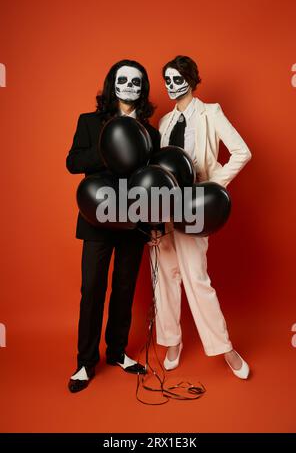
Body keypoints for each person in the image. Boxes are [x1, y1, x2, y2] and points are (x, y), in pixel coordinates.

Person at [151, 55, 252, 379]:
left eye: (177, 78)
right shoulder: (164, 122)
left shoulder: (211, 113)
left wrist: (212, 188)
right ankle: (172, 341)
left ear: (192, 80)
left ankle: (224, 347)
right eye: (166, 79)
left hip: (195, 207)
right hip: (163, 209)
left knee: (196, 277)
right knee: (166, 277)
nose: (171, 85)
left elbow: (241, 151)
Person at [66, 59, 160, 393]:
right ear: (112, 83)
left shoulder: (151, 132)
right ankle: (84, 362)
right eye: (123, 80)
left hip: (133, 221)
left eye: (136, 82)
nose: (129, 87)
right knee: (92, 290)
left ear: (142, 89)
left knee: (123, 290)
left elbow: (153, 182)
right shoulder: (89, 122)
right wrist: (110, 149)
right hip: (97, 218)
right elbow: (73, 162)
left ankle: (117, 352)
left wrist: (153, 224)